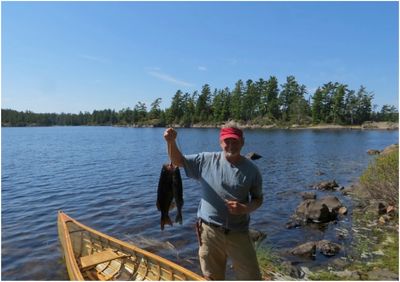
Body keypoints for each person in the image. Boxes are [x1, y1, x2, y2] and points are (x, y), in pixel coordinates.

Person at [163, 122, 263, 280]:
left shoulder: (252, 170)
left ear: (242, 142)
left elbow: (258, 199)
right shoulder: (205, 160)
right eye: (227, 141)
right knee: (211, 277)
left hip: (239, 233)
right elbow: (178, 161)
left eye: (235, 141)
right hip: (209, 233)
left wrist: (245, 208)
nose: (231, 145)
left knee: (251, 277)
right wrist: (171, 141)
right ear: (220, 142)